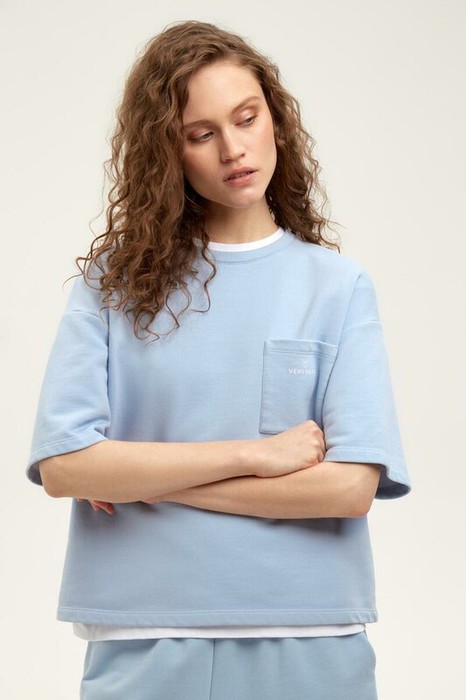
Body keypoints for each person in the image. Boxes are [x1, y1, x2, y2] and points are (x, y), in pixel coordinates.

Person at [26, 19, 412, 700]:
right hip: (141, 634)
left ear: (276, 120)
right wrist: (254, 455)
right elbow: (65, 468)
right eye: (200, 134)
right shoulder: (111, 287)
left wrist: (142, 479)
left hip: (311, 634)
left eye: (246, 118)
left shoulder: (337, 287)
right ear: (166, 153)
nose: (234, 149)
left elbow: (348, 490)